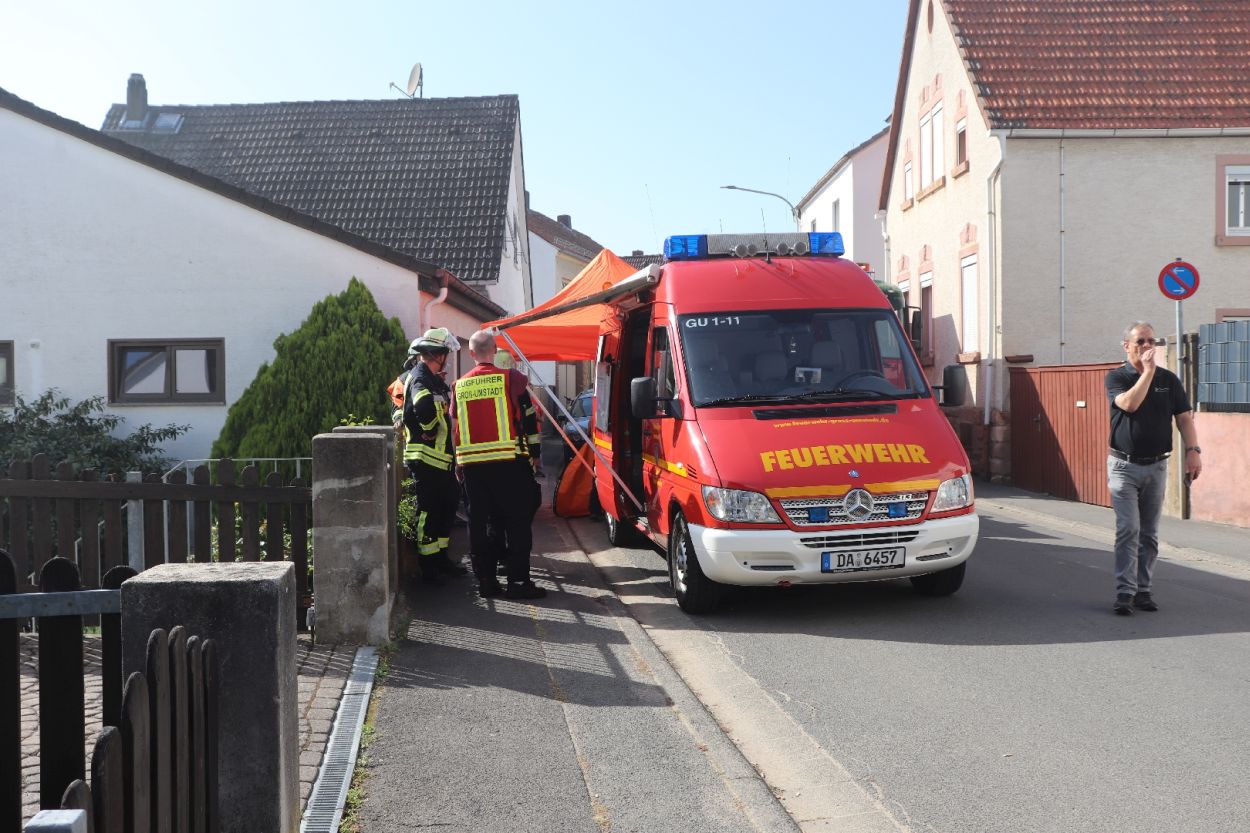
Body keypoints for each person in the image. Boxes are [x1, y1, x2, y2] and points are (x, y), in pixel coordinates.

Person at [1105, 321, 1201, 615]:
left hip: (1157, 465)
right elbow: (1129, 405)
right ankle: (1125, 591)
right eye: (1141, 341)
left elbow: (1184, 418)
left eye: (1152, 341)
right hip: (1123, 466)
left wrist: (1193, 451)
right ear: (1127, 346)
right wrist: (1147, 373)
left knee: (1149, 533)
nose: (1148, 346)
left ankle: (1143, 590)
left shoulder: (1168, 380)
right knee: (1128, 529)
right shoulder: (1117, 377)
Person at [452, 330, 545, 600]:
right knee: (517, 524)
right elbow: (529, 420)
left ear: (471, 353)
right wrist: (535, 454)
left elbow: (456, 428)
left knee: (482, 524)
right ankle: (518, 583)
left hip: (473, 467)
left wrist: (458, 462)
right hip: (510, 464)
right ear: (494, 350)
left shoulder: (459, 386)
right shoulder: (512, 379)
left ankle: (486, 581)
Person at [402, 327, 469, 583]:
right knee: (429, 512)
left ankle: (441, 559)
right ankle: (428, 568)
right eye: (446, 354)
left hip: (441, 460)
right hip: (426, 459)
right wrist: (429, 429)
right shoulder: (420, 377)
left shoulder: (432, 378)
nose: (447, 359)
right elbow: (422, 405)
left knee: (447, 505)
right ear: (436, 354)